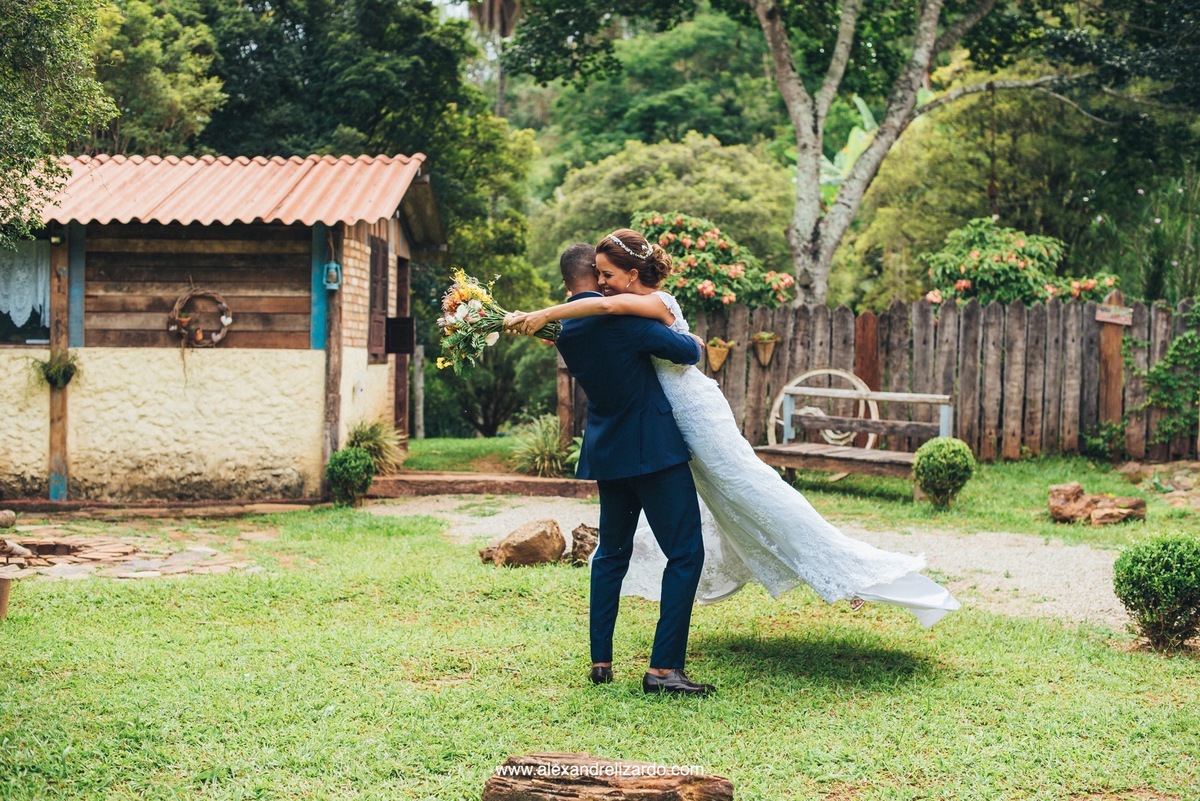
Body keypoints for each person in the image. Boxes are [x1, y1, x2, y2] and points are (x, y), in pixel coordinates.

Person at [507, 230, 961, 627]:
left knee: (752, 487)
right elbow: (626, 329)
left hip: (695, 413)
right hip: (671, 421)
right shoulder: (627, 310)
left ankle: (841, 568)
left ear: (630, 274)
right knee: (721, 502)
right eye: (598, 275)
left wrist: (548, 314)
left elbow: (610, 310)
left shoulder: (647, 302)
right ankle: (798, 565)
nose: (601, 284)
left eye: (607, 274)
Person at [553, 242, 717, 696]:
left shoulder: (566, 328)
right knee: (685, 553)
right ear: (596, 274)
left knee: (611, 554)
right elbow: (685, 352)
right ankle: (664, 669)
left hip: (610, 454)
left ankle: (601, 660)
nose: (607, 281)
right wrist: (692, 342)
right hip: (653, 453)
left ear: (567, 283)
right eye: (602, 274)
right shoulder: (622, 321)